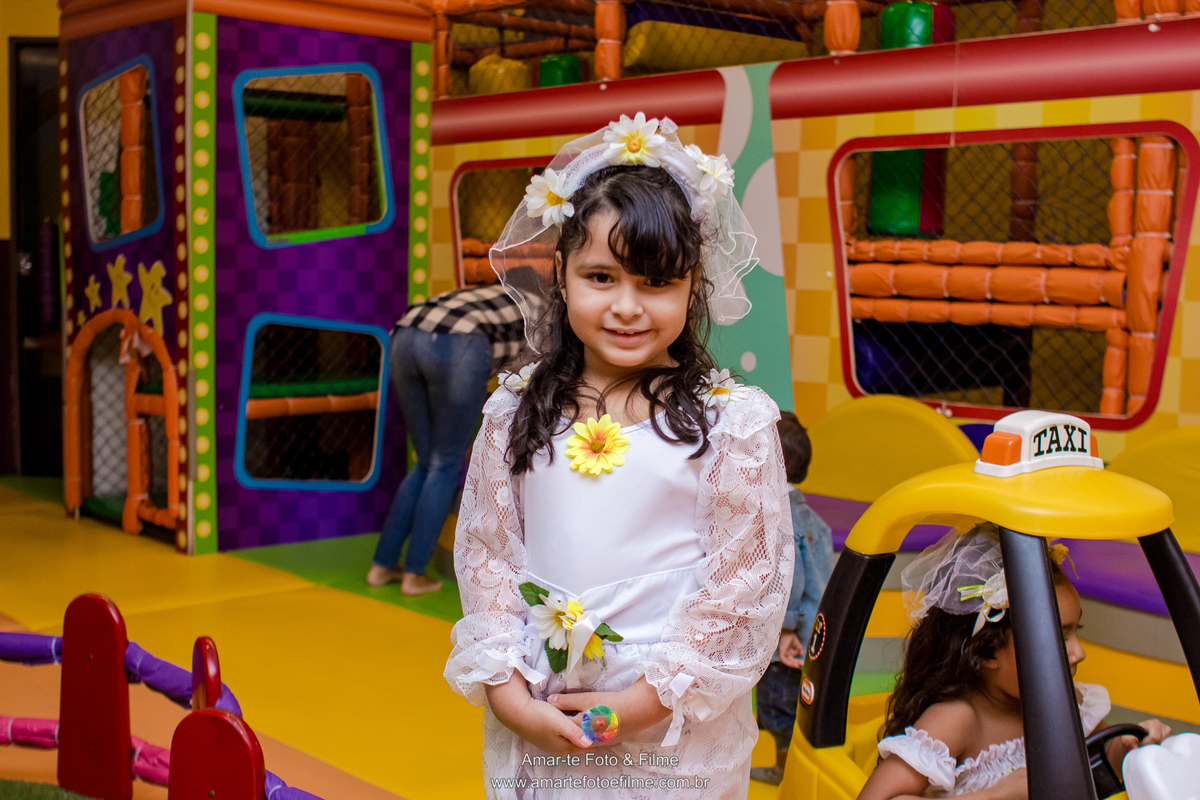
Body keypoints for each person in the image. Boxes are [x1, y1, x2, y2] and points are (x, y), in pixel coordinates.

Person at [444, 114, 793, 798]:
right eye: (601, 277)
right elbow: (489, 556)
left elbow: (742, 585)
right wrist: (508, 695)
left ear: (693, 284)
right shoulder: (514, 411)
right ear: (561, 274)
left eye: (655, 282)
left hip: (670, 735)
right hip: (542, 715)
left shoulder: (731, 424)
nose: (627, 307)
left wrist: (642, 705)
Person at [857, 526, 1171, 800]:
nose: (1079, 653)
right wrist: (994, 796)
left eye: (1077, 631)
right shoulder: (958, 721)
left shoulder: (1067, 704)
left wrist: (1124, 748)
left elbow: (1096, 758)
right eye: (1058, 639)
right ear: (985, 652)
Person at [367, 283, 525, 595]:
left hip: (404, 334)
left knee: (427, 462)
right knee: (445, 464)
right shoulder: (548, 312)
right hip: (457, 342)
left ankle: (381, 566)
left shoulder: (499, 291)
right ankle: (414, 575)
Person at [750, 411, 834, 786]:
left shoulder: (780, 518)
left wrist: (785, 630)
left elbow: (791, 580)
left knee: (777, 704)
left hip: (789, 638)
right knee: (797, 699)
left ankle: (786, 772)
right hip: (811, 628)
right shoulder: (811, 517)